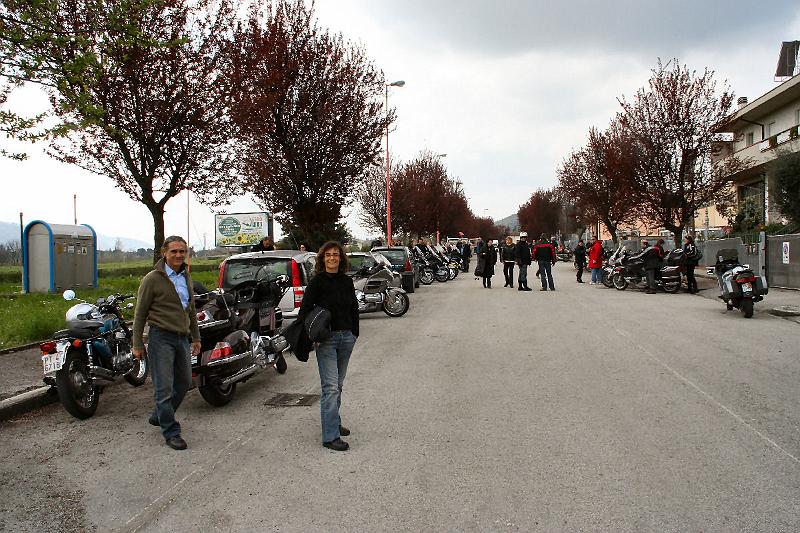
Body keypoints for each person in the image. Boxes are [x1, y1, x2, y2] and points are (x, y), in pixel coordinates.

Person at [132, 236, 201, 451]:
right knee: (164, 388)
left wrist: (196, 337)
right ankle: (171, 431)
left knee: (184, 382)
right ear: (165, 253)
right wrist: (137, 344)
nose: (178, 255)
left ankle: (159, 415)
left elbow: (190, 310)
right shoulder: (152, 279)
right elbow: (140, 313)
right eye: (174, 252)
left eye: (182, 251)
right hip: (160, 337)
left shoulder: (185, 276)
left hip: (181, 337)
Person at [297, 241, 359, 452]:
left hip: (346, 338)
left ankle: (334, 421)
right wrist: (316, 334)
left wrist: (354, 333)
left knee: (338, 385)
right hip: (327, 341)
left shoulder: (346, 281)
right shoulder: (317, 282)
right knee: (330, 387)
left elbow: (354, 307)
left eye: (336, 255)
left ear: (341, 258)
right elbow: (304, 311)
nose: (332, 258)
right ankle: (330, 436)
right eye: (328, 255)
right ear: (322, 259)